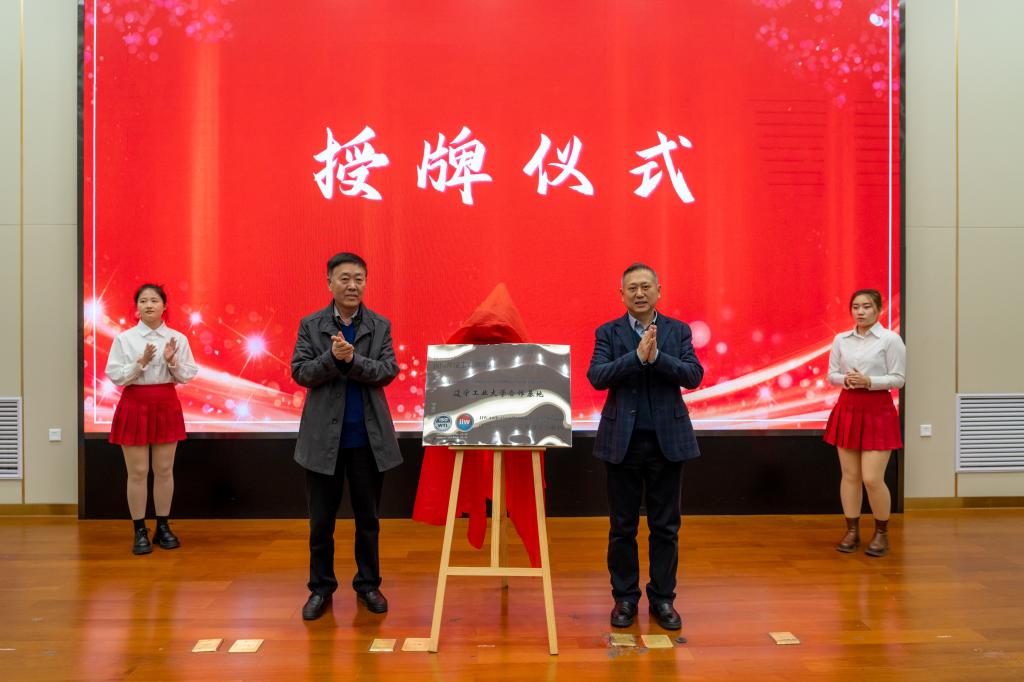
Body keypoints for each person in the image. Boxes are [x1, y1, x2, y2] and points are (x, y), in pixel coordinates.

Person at [587, 263, 704, 631]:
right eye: (632, 288)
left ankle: (663, 598)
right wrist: (636, 358)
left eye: (646, 287)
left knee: (665, 527)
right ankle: (624, 598)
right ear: (621, 295)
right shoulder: (607, 332)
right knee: (622, 527)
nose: (639, 293)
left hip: (667, 443)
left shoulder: (678, 331)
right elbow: (596, 376)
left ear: (658, 291)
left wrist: (657, 358)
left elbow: (694, 376)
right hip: (621, 444)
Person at [292, 252, 402, 621]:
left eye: (359, 278)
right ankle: (320, 589)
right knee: (321, 522)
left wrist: (352, 361)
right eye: (344, 278)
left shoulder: (380, 325)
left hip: (367, 440)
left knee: (368, 520)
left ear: (365, 282)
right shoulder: (311, 325)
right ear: (329, 283)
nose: (352, 285)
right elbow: (301, 372)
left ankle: (368, 584)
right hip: (322, 441)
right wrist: (332, 358)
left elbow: (387, 371)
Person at [105, 283, 198, 555]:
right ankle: (139, 530)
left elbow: (187, 375)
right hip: (134, 404)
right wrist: (141, 362)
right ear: (136, 308)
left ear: (164, 306)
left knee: (164, 469)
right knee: (137, 472)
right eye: (143, 301)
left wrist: (171, 361)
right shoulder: (125, 339)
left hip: (166, 405)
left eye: (154, 300)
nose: (149, 305)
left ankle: (163, 527)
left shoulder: (178, 339)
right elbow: (115, 375)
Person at [824, 289, 905, 557]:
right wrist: (845, 379)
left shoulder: (890, 339)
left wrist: (870, 381)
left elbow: (899, 378)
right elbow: (832, 375)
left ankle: (882, 533)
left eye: (867, 306)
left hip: (878, 410)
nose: (860, 311)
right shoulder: (840, 339)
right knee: (850, 476)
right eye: (856, 307)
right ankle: (852, 531)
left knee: (872, 478)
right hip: (848, 407)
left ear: (879, 309)